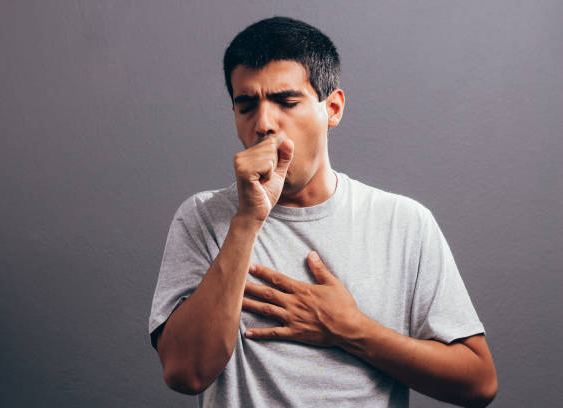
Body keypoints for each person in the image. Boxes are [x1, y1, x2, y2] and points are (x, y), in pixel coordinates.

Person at [148, 16, 497, 408]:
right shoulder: (202, 218)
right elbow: (184, 372)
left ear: (332, 109)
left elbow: (478, 383)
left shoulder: (404, 223)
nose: (264, 123)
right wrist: (247, 222)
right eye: (246, 106)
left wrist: (351, 329)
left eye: (286, 102)